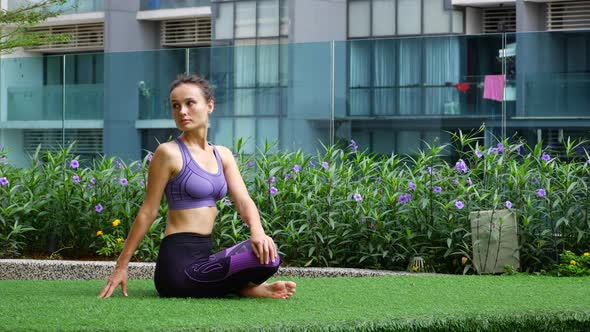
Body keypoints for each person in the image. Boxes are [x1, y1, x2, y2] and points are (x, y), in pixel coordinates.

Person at [98, 74, 296, 299]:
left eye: (190, 103)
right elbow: (148, 211)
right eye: (175, 106)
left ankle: (240, 288)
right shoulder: (168, 153)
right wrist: (121, 266)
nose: (182, 111)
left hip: (205, 259)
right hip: (176, 267)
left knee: (268, 255)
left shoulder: (223, 155)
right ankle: (249, 289)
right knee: (253, 260)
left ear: (209, 105)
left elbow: (243, 201)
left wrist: (258, 231)